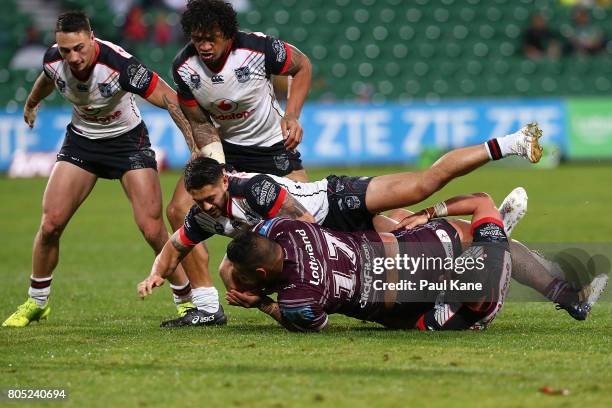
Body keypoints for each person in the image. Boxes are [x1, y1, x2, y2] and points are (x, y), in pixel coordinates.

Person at [136, 123, 549, 326]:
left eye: (210, 195)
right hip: (332, 238)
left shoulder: (255, 190)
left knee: (424, 186)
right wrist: (156, 274)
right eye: (200, 201)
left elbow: (300, 226)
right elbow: (176, 244)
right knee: (413, 246)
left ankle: (509, 144)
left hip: (336, 204)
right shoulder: (204, 214)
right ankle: (491, 237)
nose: (207, 205)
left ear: (224, 179)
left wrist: (293, 286)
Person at [2, 11, 205, 328]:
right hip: (82, 142)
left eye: (79, 48)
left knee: (152, 229)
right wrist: (31, 102)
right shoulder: (55, 60)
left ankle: (186, 302)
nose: (73, 57)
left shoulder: (120, 65)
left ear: (91, 38)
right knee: (51, 223)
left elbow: (168, 98)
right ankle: (36, 302)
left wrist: (194, 144)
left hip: (128, 143)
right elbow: (48, 77)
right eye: (66, 50)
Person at [222, 193, 607, 331]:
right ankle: (506, 246)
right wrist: (428, 214)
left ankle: (495, 245)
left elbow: (308, 324)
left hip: (407, 302)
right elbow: (266, 231)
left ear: (261, 274)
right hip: (404, 249)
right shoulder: (287, 227)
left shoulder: (297, 300)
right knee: (459, 232)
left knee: (483, 272)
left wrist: (261, 303)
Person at [157, 0, 313, 324]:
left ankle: (319, 292)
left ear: (228, 33)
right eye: (198, 39)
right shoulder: (184, 67)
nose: (205, 46)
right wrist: (213, 158)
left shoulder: (258, 48)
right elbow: (198, 120)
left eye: (211, 37)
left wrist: (292, 115)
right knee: (178, 210)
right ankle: (207, 306)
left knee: (311, 224)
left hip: (274, 148)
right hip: (226, 150)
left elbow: (303, 66)